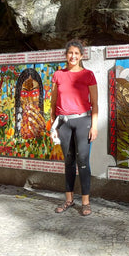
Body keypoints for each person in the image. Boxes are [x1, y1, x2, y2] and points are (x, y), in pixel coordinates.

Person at [50, 39, 98, 216]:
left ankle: (85, 202)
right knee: (68, 161)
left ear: (81, 56)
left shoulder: (88, 75)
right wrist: (53, 126)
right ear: (66, 55)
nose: (73, 56)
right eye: (70, 53)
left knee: (83, 161)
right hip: (63, 123)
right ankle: (69, 200)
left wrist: (94, 126)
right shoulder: (58, 75)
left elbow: (95, 103)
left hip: (83, 121)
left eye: (76, 53)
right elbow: (53, 102)